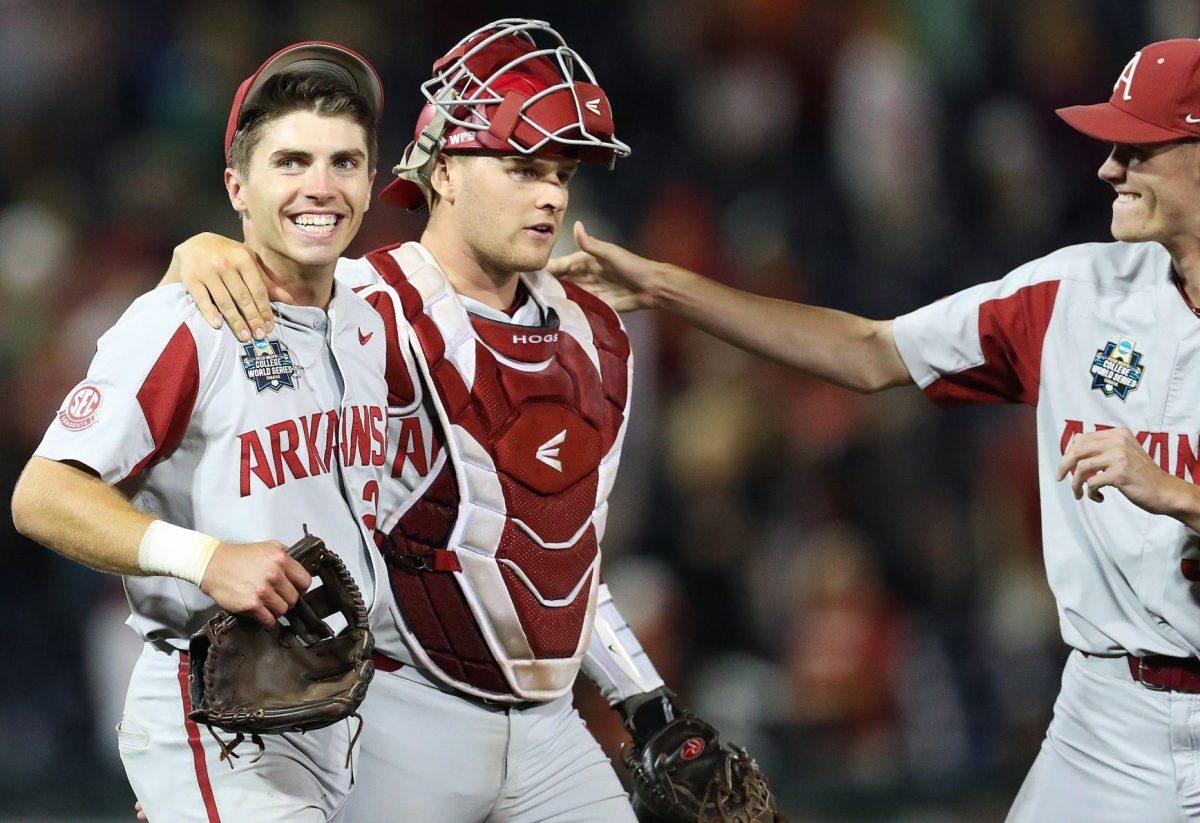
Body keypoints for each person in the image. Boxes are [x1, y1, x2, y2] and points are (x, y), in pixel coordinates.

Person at [545, 35, 1200, 822]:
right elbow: (870, 350)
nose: (1108, 167)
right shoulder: (1071, 294)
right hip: (1109, 714)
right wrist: (663, 287)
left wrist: (1175, 492)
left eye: (1139, 147)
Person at [168, 19, 688, 822]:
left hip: (551, 734)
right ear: (444, 171)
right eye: (521, 167)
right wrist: (199, 251)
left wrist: (645, 698)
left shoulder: (596, 334)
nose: (551, 192)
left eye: (561, 172)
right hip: (397, 712)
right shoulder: (360, 309)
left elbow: (556, 555)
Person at [10, 43, 388, 822]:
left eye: (344, 161)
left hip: (347, 714)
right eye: (290, 161)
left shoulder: (371, 311)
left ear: (372, 180)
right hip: (219, 711)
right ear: (236, 188)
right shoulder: (188, 319)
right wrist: (203, 556)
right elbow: (42, 493)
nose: (321, 186)